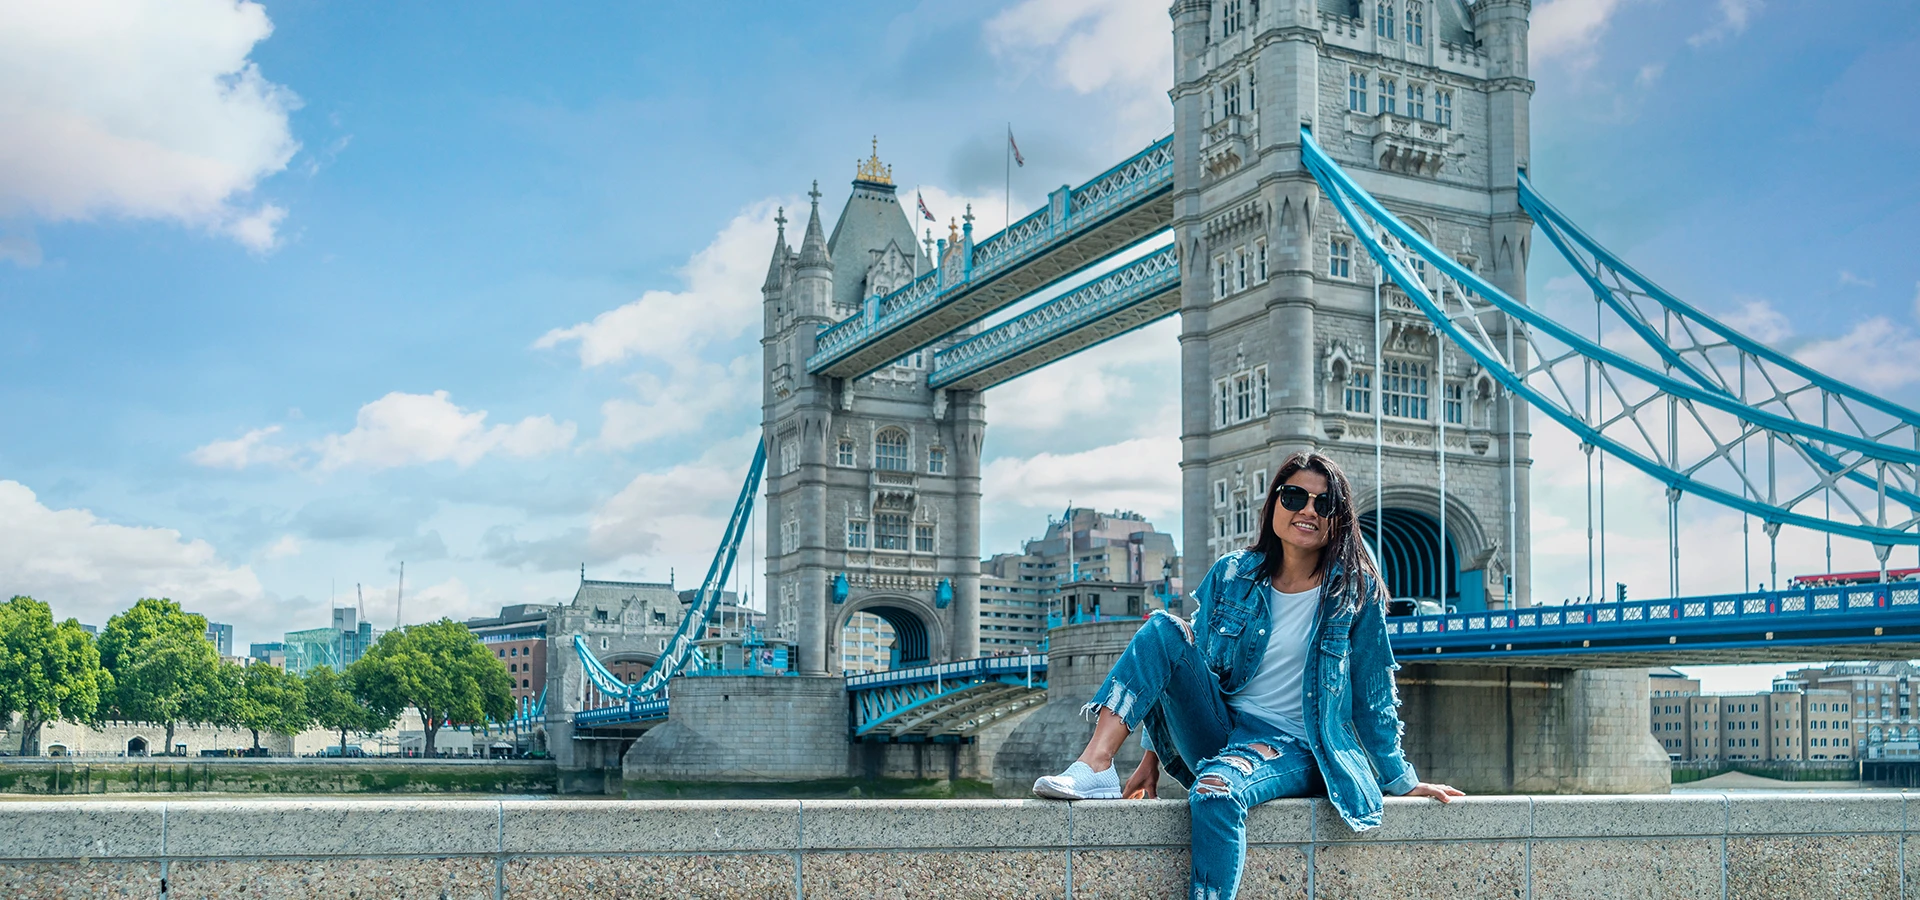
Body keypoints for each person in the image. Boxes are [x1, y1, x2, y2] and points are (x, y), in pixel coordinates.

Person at [1032, 450, 1463, 899]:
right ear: (1274, 503)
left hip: (1296, 745)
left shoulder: (1354, 590)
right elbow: (1183, 670)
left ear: (1339, 518)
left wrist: (1401, 780)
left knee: (1216, 793)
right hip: (1222, 728)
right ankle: (1096, 765)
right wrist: (1150, 760)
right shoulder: (1233, 573)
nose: (1308, 511)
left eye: (1324, 503)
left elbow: (1374, 698)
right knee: (1163, 629)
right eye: (1294, 497)